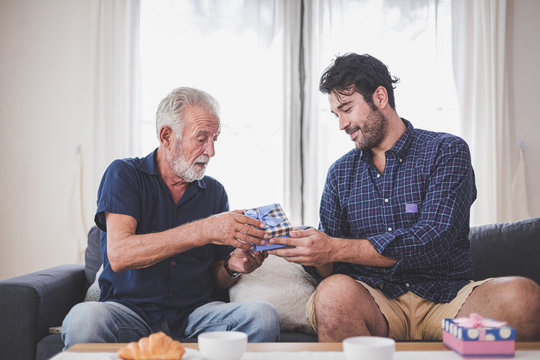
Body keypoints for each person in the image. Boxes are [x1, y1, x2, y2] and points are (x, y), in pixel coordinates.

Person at [268, 53, 540, 341]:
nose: (341, 124)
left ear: (380, 97)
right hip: (376, 301)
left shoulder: (446, 151)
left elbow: (432, 240)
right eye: (336, 114)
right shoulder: (339, 173)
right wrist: (312, 252)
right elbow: (334, 264)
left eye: (346, 108)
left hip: (447, 299)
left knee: (522, 298)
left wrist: (334, 248)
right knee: (332, 294)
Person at [62, 87, 281, 349]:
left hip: (195, 315)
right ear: (166, 136)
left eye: (215, 139)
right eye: (201, 139)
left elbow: (216, 276)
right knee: (83, 318)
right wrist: (206, 229)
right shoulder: (124, 174)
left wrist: (233, 268)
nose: (211, 151)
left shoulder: (214, 192)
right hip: (129, 313)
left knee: (263, 315)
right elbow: (120, 255)